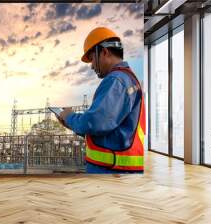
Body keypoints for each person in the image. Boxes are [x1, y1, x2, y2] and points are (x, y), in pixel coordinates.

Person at [57, 27, 145, 174]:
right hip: (118, 172)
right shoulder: (127, 79)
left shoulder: (116, 80)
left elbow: (94, 122)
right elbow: (108, 130)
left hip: (112, 173)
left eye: (92, 59)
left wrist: (69, 116)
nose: (91, 66)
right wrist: (71, 125)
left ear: (104, 52)